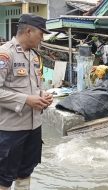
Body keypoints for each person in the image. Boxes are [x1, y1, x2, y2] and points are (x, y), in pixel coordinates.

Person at [0, 14, 53, 190]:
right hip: (11, 129)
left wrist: (42, 95)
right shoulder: (5, 54)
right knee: (4, 177)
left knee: (25, 172)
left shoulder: (34, 56)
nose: (42, 38)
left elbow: (32, 87)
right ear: (29, 31)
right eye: (41, 33)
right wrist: (26, 100)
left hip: (33, 127)